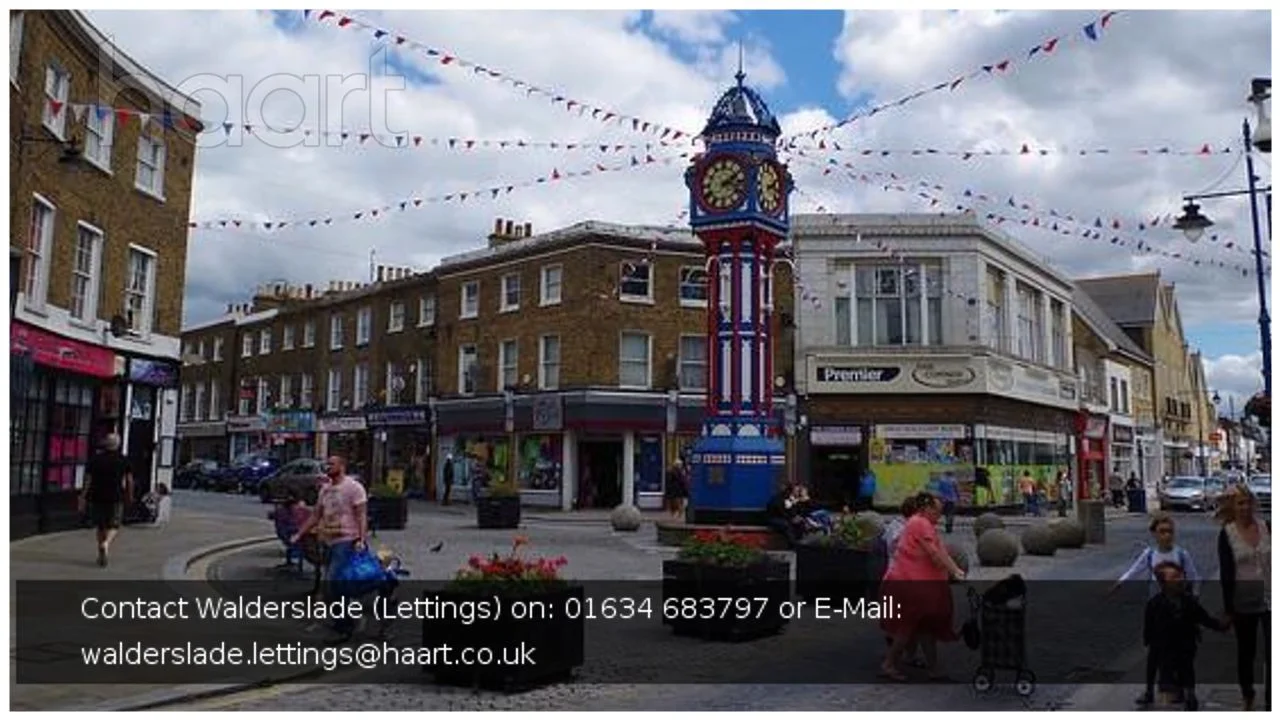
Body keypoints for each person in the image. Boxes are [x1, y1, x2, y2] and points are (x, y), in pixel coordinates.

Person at [879, 492, 966, 681]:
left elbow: (940, 551)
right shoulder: (920, 524)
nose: (939, 516)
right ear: (926, 508)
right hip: (911, 584)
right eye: (937, 511)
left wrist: (954, 569)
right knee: (909, 627)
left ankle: (932, 668)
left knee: (923, 627)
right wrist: (954, 571)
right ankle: (889, 664)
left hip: (913, 583)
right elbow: (935, 553)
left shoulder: (920, 523)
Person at [291, 456, 369, 643]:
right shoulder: (325, 490)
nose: (328, 467)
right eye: (327, 464)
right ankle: (346, 621)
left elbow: (361, 515)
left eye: (332, 464)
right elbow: (316, 515)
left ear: (342, 466)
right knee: (333, 586)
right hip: (328, 541)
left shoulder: (354, 487)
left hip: (346, 540)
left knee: (333, 583)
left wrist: (361, 539)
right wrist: (300, 533)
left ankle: (344, 626)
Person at [1139, 562, 1231, 710]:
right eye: (1174, 577)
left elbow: (1203, 617)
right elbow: (1149, 624)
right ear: (1163, 583)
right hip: (1162, 644)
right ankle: (1152, 691)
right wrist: (1148, 640)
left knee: (1186, 668)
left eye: (1180, 576)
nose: (1180, 579)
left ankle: (1189, 694)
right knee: (1158, 666)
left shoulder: (1188, 601)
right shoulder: (1155, 603)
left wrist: (1221, 626)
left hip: (1185, 642)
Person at [1216, 484, 1271, 711]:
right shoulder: (1227, 534)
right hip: (1243, 599)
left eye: (1248, 502)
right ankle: (1248, 694)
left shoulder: (1267, 527)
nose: (1245, 507)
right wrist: (1229, 608)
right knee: (1246, 651)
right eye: (1240, 503)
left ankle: (1271, 700)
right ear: (1233, 507)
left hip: (1270, 596)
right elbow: (1226, 572)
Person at [1111, 513, 1201, 598]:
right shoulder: (1150, 554)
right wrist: (1120, 582)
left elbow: (1192, 576)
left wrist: (1195, 594)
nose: (1167, 535)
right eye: (1162, 532)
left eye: (1170, 531)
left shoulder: (1182, 554)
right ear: (1154, 533)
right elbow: (1135, 570)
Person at [79, 434, 133, 568]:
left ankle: (101, 552)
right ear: (118, 444)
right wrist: (129, 495)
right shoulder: (123, 460)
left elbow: (88, 479)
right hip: (116, 496)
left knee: (101, 525)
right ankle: (106, 543)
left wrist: (83, 496)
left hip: (97, 495)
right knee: (115, 525)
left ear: (106, 444)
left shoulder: (95, 459)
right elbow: (129, 480)